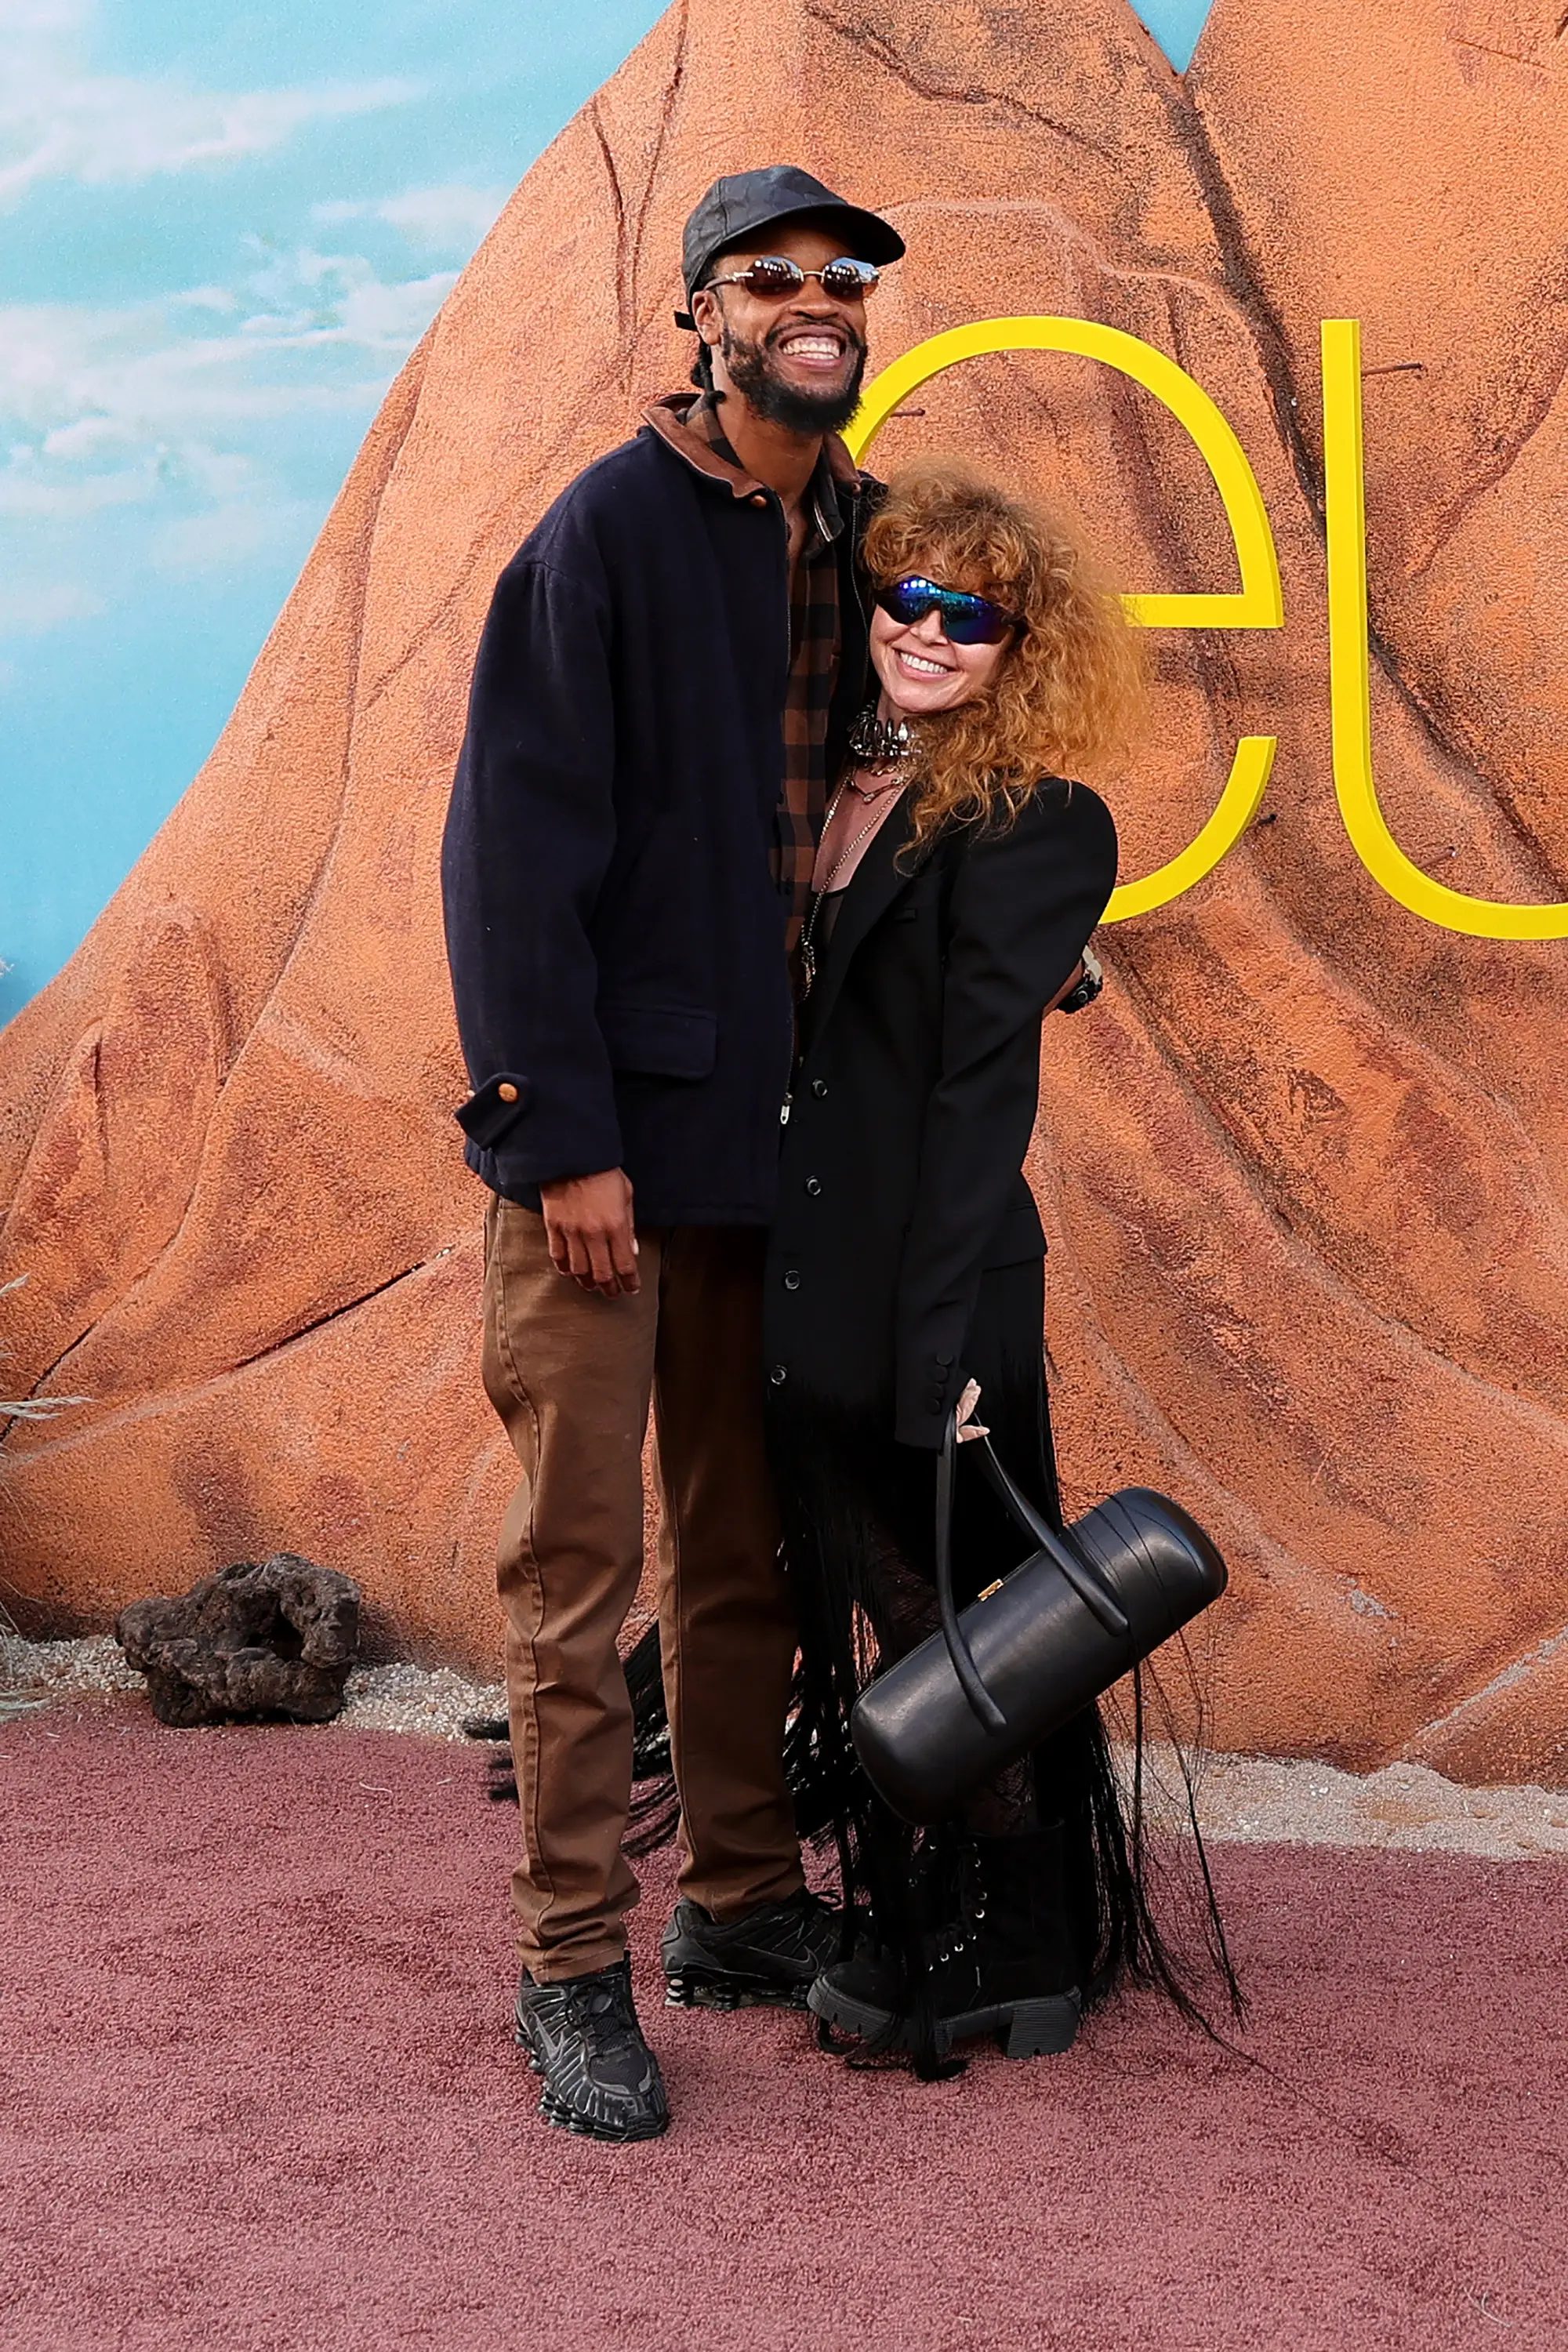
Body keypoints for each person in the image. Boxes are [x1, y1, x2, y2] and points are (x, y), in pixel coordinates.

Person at [440, 166, 906, 2143]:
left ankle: (734, 1908)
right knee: (579, 1571)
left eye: (840, 278)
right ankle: (571, 1966)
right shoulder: (603, 535)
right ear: (699, 315)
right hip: (609, 1162)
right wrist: (557, 1138)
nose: (814, 300)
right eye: (769, 277)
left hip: (771, 1148)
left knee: (745, 1559)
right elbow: (507, 864)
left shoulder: (867, 537)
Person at [763, 459, 1215, 2076]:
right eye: (905, 596)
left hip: (930, 1284)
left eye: (973, 612)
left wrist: (940, 1337)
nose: (930, 631)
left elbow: (974, 1102)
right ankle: (917, 1905)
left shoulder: (1039, 825)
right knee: (884, 1625)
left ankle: (1020, 1938)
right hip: (808, 1280)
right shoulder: (832, 792)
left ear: (1023, 646)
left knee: (970, 1624)